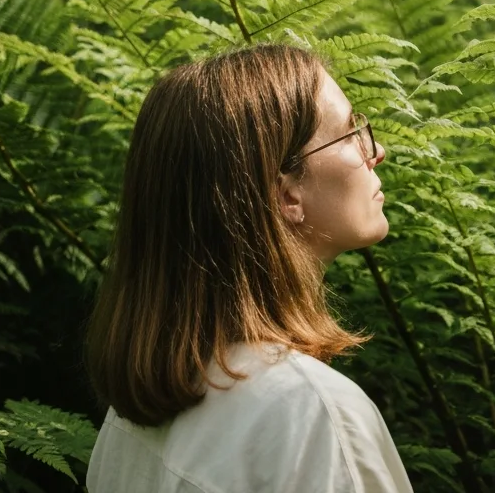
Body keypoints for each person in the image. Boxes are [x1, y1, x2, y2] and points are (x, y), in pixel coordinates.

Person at [85, 43, 412, 492]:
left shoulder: (129, 420)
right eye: (348, 131)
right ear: (286, 195)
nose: (376, 152)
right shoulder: (313, 418)